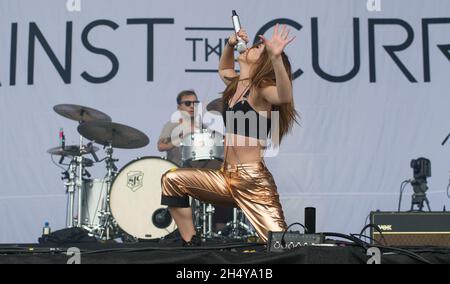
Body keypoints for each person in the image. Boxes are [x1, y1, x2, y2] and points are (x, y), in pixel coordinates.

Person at [161, 24, 298, 245]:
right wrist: (229, 44)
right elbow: (224, 70)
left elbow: (283, 95)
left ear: (262, 63)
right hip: (226, 176)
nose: (249, 48)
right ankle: (191, 243)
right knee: (171, 180)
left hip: (252, 181)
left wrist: (275, 57)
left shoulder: (261, 89)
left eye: (256, 48)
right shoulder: (236, 86)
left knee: (281, 246)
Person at [157, 90, 200, 166]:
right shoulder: (171, 125)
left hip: (198, 172)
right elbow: (161, 146)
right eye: (187, 103)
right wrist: (182, 136)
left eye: (195, 103)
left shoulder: (203, 127)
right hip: (175, 170)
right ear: (179, 107)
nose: (192, 106)